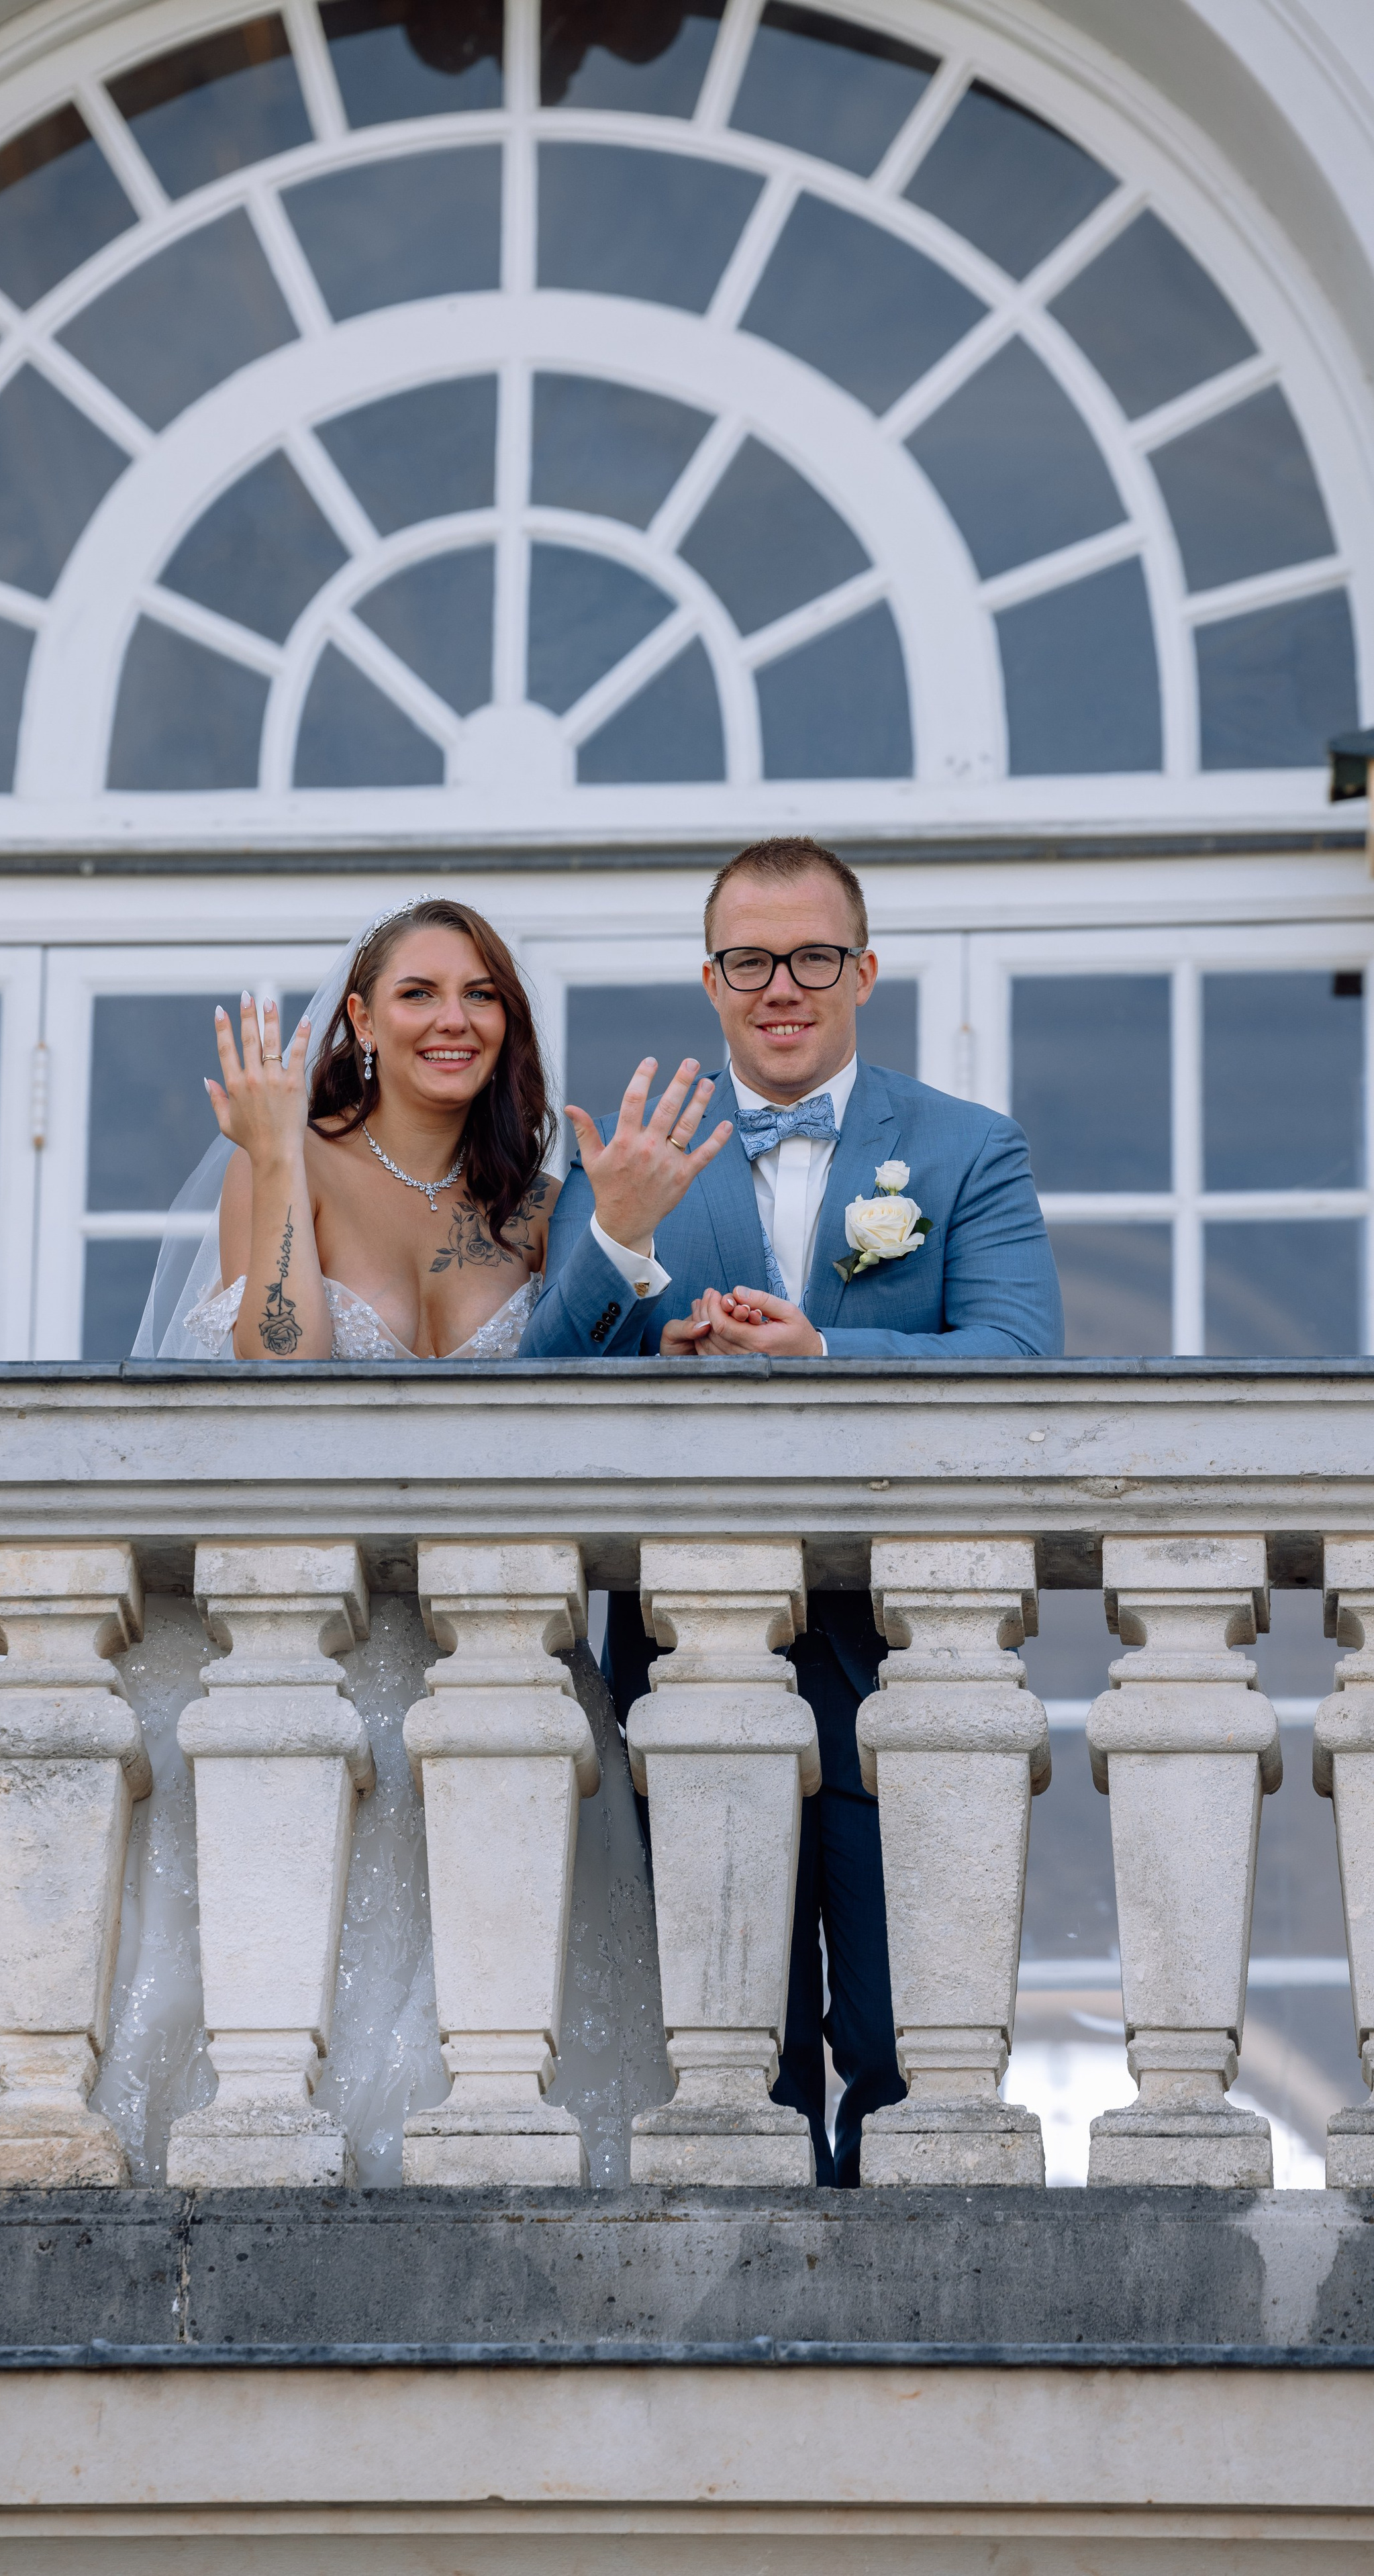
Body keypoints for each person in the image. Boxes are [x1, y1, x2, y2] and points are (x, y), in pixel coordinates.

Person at [520, 834, 1064, 2184]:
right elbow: (534, 1394)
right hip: (686, 1660)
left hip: (906, 1655)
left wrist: (820, 1350)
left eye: (812, 956)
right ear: (709, 979)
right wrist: (622, 1246)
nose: (782, 985)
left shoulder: (964, 1149)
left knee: (905, 2042)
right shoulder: (630, 1160)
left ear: (863, 971)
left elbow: (1018, 1362)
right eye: (750, 959)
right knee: (727, 2055)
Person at [136, 897, 555, 1363]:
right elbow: (279, 1367)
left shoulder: (542, 1204)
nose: (455, 1021)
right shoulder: (288, 1163)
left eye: (480, 995)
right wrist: (278, 1158)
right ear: (363, 1020)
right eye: (418, 994)